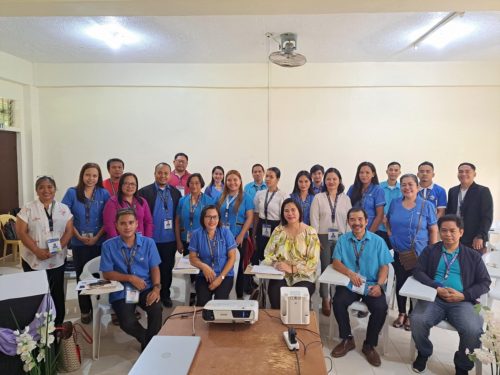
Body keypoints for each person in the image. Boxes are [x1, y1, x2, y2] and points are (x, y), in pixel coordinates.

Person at [410, 214, 491, 375]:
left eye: (452, 231)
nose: (448, 234)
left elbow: (485, 282)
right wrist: (436, 287)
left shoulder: (473, 256)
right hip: (435, 298)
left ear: (461, 232)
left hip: (463, 301)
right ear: (439, 232)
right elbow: (418, 271)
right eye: (444, 231)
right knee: (417, 319)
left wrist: (464, 295)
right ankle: (424, 352)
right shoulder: (431, 250)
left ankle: (462, 364)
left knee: (474, 329)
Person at [330, 207, 393, 367]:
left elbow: (384, 267)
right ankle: (347, 339)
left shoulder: (378, 241)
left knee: (380, 307)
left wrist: (379, 285)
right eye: (352, 219)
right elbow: (336, 262)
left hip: (372, 284)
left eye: (360, 219)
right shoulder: (343, 239)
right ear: (348, 222)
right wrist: (350, 274)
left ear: (366, 221)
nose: (356, 223)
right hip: (350, 284)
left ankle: (369, 345)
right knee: (338, 301)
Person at [100, 208, 162, 351]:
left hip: (144, 287)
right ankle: (149, 341)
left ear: (136, 224)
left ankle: (149, 346)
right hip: (122, 290)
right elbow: (107, 273)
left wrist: (156, 288)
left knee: (156, 309)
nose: (127, 227)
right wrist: (130, 278)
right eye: (123, 223)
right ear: (116, 225)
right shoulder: (108, 246)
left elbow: (154, 268)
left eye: (130, 222)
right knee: (127, 322)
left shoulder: (149, 243)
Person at [16, 176, 74, 325]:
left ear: (55, 189)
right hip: (33, 259)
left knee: (56, 293)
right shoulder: (28, 208)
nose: (46, 190)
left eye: (50, 187)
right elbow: (21, 232)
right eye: (41, 187)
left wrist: (58, 248)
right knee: (35, 293)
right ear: (36, 190)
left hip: (57, 259)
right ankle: (35, 327)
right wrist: (37, 250)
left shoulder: (63, 209)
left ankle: (58, 325)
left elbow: (69, 231)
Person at [386, 173, 438, 331]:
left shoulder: (426, 205)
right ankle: (401, 313)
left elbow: (433, 229)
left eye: (410, 184)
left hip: (420, 253)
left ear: (417, 187)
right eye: (403, 184)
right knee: (400, 281)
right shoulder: (395, 203)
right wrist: (390, 235)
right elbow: (387, 221)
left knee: (416, 282)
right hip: (400, 252)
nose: (407, 187)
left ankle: (412, 314)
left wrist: (432, 251)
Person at [62, 163, 110, 324]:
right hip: (78, 242)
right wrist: (78, 236)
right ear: (82, 175)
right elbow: (66, 217)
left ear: (99, 177)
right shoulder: (72, 193)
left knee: (98, 275)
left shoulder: (104, 193)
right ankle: (85, 309)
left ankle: (98, 305)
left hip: (99, 242)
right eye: (88, 175)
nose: (91, 178)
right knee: (82, 275)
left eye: (94, 176)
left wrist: (97, 236)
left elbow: (108, 219)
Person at [262, 198, 320, 309]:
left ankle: (296, 326)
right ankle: (279, 325)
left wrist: (292, 268)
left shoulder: (310, 232)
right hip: (281, 274)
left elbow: (313, 262)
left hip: (303, 276)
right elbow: (267, 253)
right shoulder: (278, 231)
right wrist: (275, 264)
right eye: (286, 211)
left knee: (296, 298)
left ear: (299, 211)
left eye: (293, 210)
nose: (290, 213)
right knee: (275, 294)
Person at [138, 163, 182, 308]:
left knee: (167, 269)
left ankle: (165, 295)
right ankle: (149, 295)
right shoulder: (144, 192)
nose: (163, 176)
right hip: (151, 240)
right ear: (155, 173)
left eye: (166, 173)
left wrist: (178, 239)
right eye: (160, 173)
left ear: (170, 175)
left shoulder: (176, 193)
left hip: (169, 239)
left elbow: (177, 218)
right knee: (149, 268)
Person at [310, 167, 352, 316]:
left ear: (339, 180)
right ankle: (325, 298)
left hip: (341, 237)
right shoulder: (318, 197)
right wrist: (315, 239)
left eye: (334, 179)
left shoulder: (345, 198)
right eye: (328, 179)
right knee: (324, 268)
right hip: (322, 236)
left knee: (338, 267)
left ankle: (336, 297)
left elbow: (349, 219)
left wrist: (347, 239)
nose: (331, 181)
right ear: (324, 181)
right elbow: (314, 220)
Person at [188, 205, 238, 306]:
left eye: (215, 217)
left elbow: (232, 257)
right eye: (208, 217)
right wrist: (204, 266)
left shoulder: (226, 233)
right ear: (203, 218)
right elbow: (192, 258)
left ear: (219, 218)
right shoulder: (196, 234)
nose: (212, 220)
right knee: (202, 303)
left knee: (219, 303)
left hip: (225, 275)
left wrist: (220, 278)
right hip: (204, 275)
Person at [216, 170, 254, 298]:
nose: (232, 183)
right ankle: (223, 290)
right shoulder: (221, 197)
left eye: (235, 180)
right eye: (229, 180)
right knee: (223, 264)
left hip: (238, 236)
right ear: (225, 182)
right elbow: (215, 215)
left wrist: (241, 235)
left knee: (239, 266)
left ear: (240, 181)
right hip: (222, 236)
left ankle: (238, 293)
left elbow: (249, 217)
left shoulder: (246, 197)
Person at [446, 162, 494, 253]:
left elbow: (487, 217)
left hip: (474, 238)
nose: (463, 174)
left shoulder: (483, 191)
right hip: (454, 236)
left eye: (467, 171)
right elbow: (449, 213)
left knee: (472, 265)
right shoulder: (453, 191)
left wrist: (480, 236)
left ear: (474, 174)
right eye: (460, 172)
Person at [253, 167, 289, 263]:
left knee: (274, 257)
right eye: (267, 176)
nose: (267, 179)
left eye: (271, 177)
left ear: (277, 179)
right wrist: (253, 233)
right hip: (262, 226)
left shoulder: (283, 195)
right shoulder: (259, 194)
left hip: (276, 227)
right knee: (261, 255)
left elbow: (285, 217)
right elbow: (256, 215)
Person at [103, 173, 153, 239]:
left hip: (140, 241)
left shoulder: (142, 201)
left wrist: (147, 240)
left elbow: (148, 222)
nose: (129, 186)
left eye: (132, 184)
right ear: (121, 185)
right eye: (126, 183)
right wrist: (117, 242)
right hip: (120, 242)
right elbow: (109, 225)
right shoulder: (113, 202)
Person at [175, 173, 215, 254]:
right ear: (188, 185)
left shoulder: (208, 201)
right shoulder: (182, 200)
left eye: (197, 183)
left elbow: (213, 222)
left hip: (203, 239)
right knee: (187, 264)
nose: (194, 185)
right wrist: (178, 241)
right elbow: (177, 222)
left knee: (203, 264)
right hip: (186, 239)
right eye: (191, 183)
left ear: (201, 184)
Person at [347, 161, 385, 233]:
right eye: (361, 172)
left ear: (373, 174)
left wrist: (369, 234)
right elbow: (347, 208)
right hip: (353, 230)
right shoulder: (352, 188)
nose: (364, 175)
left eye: (367, 172)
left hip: (371, 231)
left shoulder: (378, 190)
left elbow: (380, 215)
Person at [378, 161, 402, 248]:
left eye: (396, 170)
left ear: (399, 172)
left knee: (395, 257)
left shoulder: (403, 188)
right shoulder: (378, 187)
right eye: (391, 170)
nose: (393, 172)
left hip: (396, 229)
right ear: (387, 171)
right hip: (380, 228)